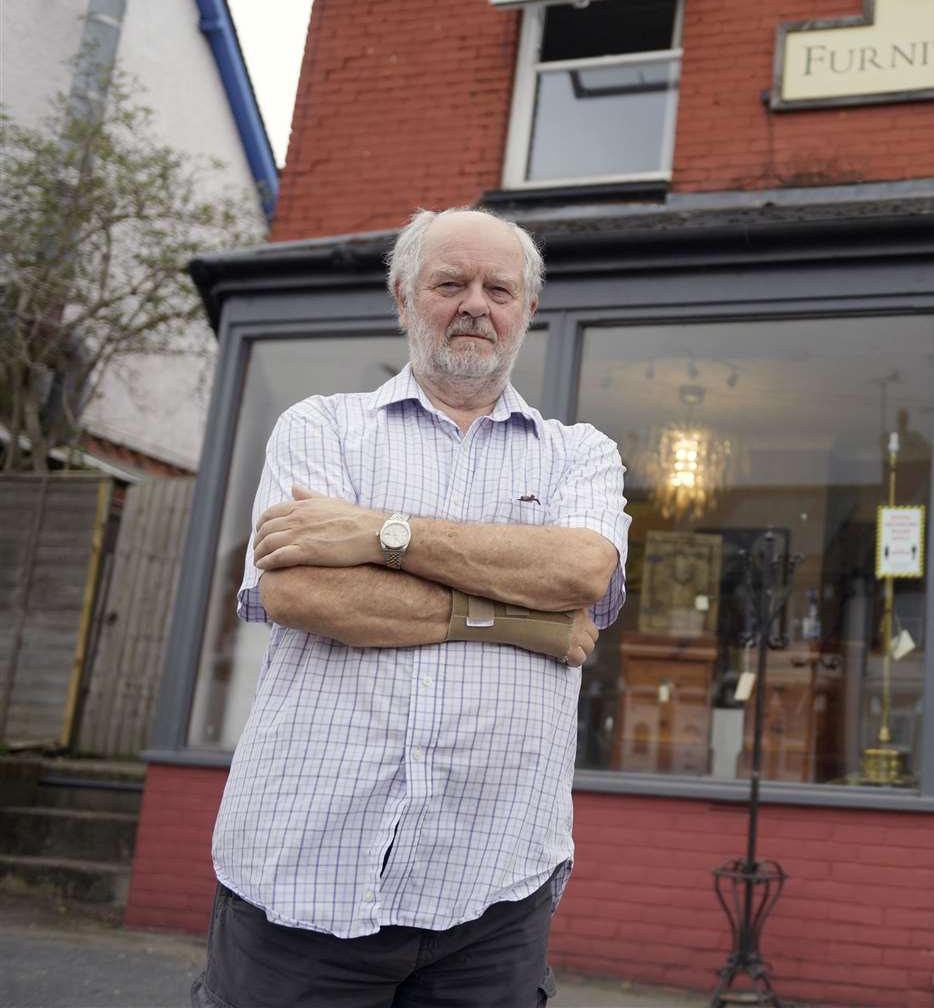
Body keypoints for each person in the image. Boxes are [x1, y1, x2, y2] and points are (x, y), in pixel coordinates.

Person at [192, 207, 630, 1008]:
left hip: (493, 895)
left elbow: (580, 572)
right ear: (403, 296)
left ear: (527, 310)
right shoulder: (323, 427)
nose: (475, 304)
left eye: (499, 288)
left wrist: (376, 533)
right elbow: (299, 592)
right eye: (449, 283)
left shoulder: (580, 454)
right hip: (303, 884)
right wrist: (520, 615)